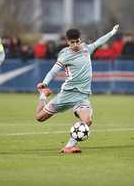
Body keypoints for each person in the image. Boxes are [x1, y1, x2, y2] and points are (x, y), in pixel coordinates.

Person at [35, 24, 119, 153]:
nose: (75, 44)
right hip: (67, 94)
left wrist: (112, 32)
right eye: (72, 42)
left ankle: (69, 146)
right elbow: (53, 72)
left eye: (77, 41)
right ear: (67, 42)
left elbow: (99, 42)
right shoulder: (65, 55)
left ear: (80, 39)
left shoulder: (86, 49)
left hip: (82, 96)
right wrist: (45, 84)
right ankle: (43, 95)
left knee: (87, 120)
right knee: (39, 117)